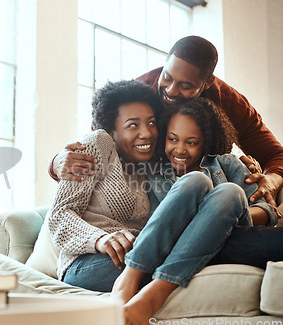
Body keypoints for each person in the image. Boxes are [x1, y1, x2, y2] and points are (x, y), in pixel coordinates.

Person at [49, 35, 283, 209]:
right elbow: (93, 145)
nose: (170, 90)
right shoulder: (136, 96)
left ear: (208, 82)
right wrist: (56, 163)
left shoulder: (232, 104)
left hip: (210, 197)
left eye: (185, 86)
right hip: (146, 199)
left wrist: (271, 179)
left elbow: (276, 155)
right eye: (167, 77)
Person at [113, 97, 278, 325]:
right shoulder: (156, 174)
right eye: (172, 139)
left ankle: (156, 292)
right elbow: (163, 224)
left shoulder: (227, 164)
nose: (179, 150)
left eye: (191, 142)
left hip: (234, 224)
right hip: (187, 241)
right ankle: (127, 280)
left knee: (228, 191)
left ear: (206, 143)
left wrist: (215, 215)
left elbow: (268, 210)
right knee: (195, 181)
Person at [47, 80, 162, 292]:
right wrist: (100, 238)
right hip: (86, 264)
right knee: (167, 264)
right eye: (133, 125)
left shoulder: (151, 166)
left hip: (135, 255)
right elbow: (60, 215)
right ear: (110, 131)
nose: (147, 133)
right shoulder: (98, 143)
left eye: (152, 123)